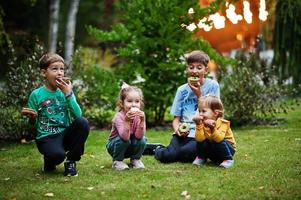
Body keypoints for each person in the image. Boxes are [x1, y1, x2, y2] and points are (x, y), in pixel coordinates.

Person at [21, 53, 90, 176]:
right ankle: (49, 161)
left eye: (62, 69)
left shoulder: (66, 91)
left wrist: (69, 95)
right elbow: (30, 126)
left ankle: (71, 161)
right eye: (55, 69)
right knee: (57, 156)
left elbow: (78, 115)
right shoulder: (36, 95)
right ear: (44, 73)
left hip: (65, 132)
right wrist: (32, 119)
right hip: (46, 136)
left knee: (83, 122)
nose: (59, 73)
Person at [154, 50, 220, 163]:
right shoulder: (181, 90)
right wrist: (177, 130)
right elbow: (176, 119)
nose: (194, 71)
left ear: (206, 70)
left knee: (186, 154)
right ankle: (157, 148)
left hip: (200, 134)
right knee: (168, 157)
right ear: (187, 69)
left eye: (199, 68)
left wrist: (199, 95)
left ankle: (181, 151)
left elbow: (214, 115)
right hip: (183, 133)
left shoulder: (213, 86)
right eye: (191, 67)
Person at [106, 83, 147, 170]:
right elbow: (124, 137)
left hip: (129, 144)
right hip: (115, 145)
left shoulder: (138, 116)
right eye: (129, 101)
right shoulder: (119, 117)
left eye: (137, 101)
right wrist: (127, 121)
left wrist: (142, 121)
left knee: (142, 140)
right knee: (124, 141)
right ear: (122, 103)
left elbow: (139, 136)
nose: (133, 104)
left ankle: (135, 159)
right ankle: (117, 161)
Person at [192, 95, 236, 168]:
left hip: (228, 149)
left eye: (203, 111)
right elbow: (199, 139)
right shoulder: (202, 123)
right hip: (215, 149)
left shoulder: (223, 123)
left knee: (217, 140)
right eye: (199, 111)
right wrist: (198, 125)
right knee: (202, 140)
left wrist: (213, 129)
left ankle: (228, 159)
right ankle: (201, 157)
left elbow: (219, 139)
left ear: (215, 113)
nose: (200, 114)